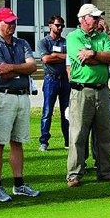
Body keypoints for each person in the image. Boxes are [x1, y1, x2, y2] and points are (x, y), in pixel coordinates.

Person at [65, 3, 110, 187]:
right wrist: (99, 57)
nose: (99, 19)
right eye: (94, 17)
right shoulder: (73, 37)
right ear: (83, 19)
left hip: (102, 90)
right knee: (78, 134)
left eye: (98, 17)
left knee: (104, 133)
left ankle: (105, 172)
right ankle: (74, 174)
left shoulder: (103, 37)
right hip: (82, 91)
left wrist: (94, 53)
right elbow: (85, 61)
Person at [0, 7, 40, 202]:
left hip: (22, 96)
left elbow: (33, 66)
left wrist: (14, 69)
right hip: (2, 96)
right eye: (8, 22)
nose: (12, 25)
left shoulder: (22, 42)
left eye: (14, 22)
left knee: (18, 141)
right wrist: (21, 70)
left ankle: (19, 184)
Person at [37, 15, 70, 152]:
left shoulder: (66, 42)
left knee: (66, 112)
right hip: (51, 79)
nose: (60, 27)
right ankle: (44, 141)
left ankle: (68, 140)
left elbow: (71, 57)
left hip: (65, 80)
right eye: (57, 25)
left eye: (62, 25)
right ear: (50, 25)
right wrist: (59, 57)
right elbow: (46, 59)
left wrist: (55, 56)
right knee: (47, 111)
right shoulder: (43, 42)